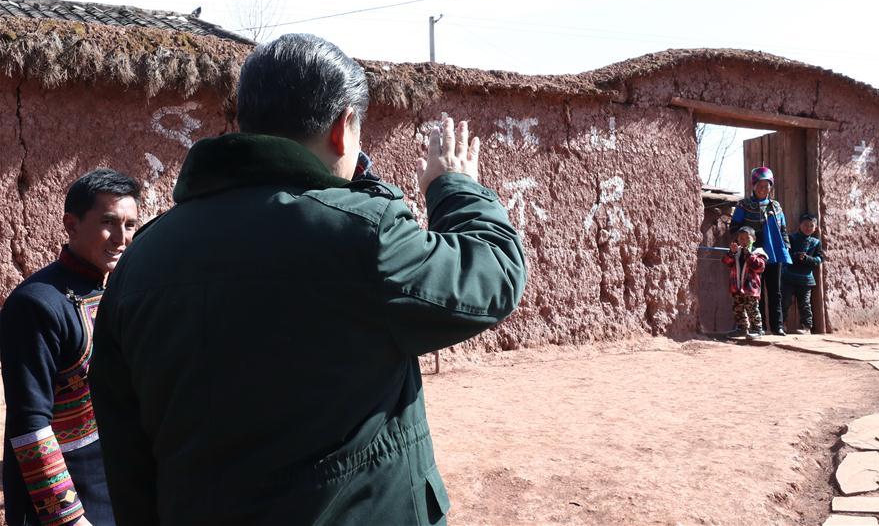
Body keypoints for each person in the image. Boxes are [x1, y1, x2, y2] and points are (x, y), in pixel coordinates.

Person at [88, 33, 527, 526]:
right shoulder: (363, 238)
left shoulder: (140, 260)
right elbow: (492, 273)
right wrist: (454, 186)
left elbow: (126, 456)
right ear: (344, 127)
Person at [1, 168, 140, 526]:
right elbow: (30, 424)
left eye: (130, 225)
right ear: (71, 224)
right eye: (109, 222)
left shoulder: (117, 290)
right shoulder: (37, 305)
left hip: (113, 480)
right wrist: (70, 518)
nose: (121, 238)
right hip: (63, 496)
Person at [729, 166, 792, 335]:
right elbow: (734, 227)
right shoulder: (744, 205)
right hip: (753, 255)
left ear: (771, 187)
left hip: (773, 252)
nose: (764, 189)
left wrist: (785, 247)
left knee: (775, 290)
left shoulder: (776, 206)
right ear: (753, 186)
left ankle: (777, 326)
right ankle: (760, 327)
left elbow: (783, 228)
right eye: (760, 185)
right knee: (755, 291)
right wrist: (746, 240)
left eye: (767, 186)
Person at [722, 226, 768, 339]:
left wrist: (749, 254)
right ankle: (742, 328)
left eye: (747, 238)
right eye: (741, 238)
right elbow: (726, 262)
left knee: (752, 308)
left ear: (754, 239)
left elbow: (759, 267)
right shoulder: (736, 252)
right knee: (738, 308)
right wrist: (731, 253)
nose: (744, 241)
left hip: (750, 288)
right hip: (737, 287)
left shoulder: (758, 252)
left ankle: (757, 329)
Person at [782, 213, 824, 334]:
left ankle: (806, 327)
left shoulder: (816, 243)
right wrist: (796, 256)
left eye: (811, 226)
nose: (808, 228)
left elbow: (819, 259)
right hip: (789, 276)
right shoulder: (791, 238)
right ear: (799, 225)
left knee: (805, 303)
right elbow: (785, 255)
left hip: (806, 279)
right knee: (785, 301)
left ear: (815, 228)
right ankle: (782, 325)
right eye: (805, 225)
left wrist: (807, 259)